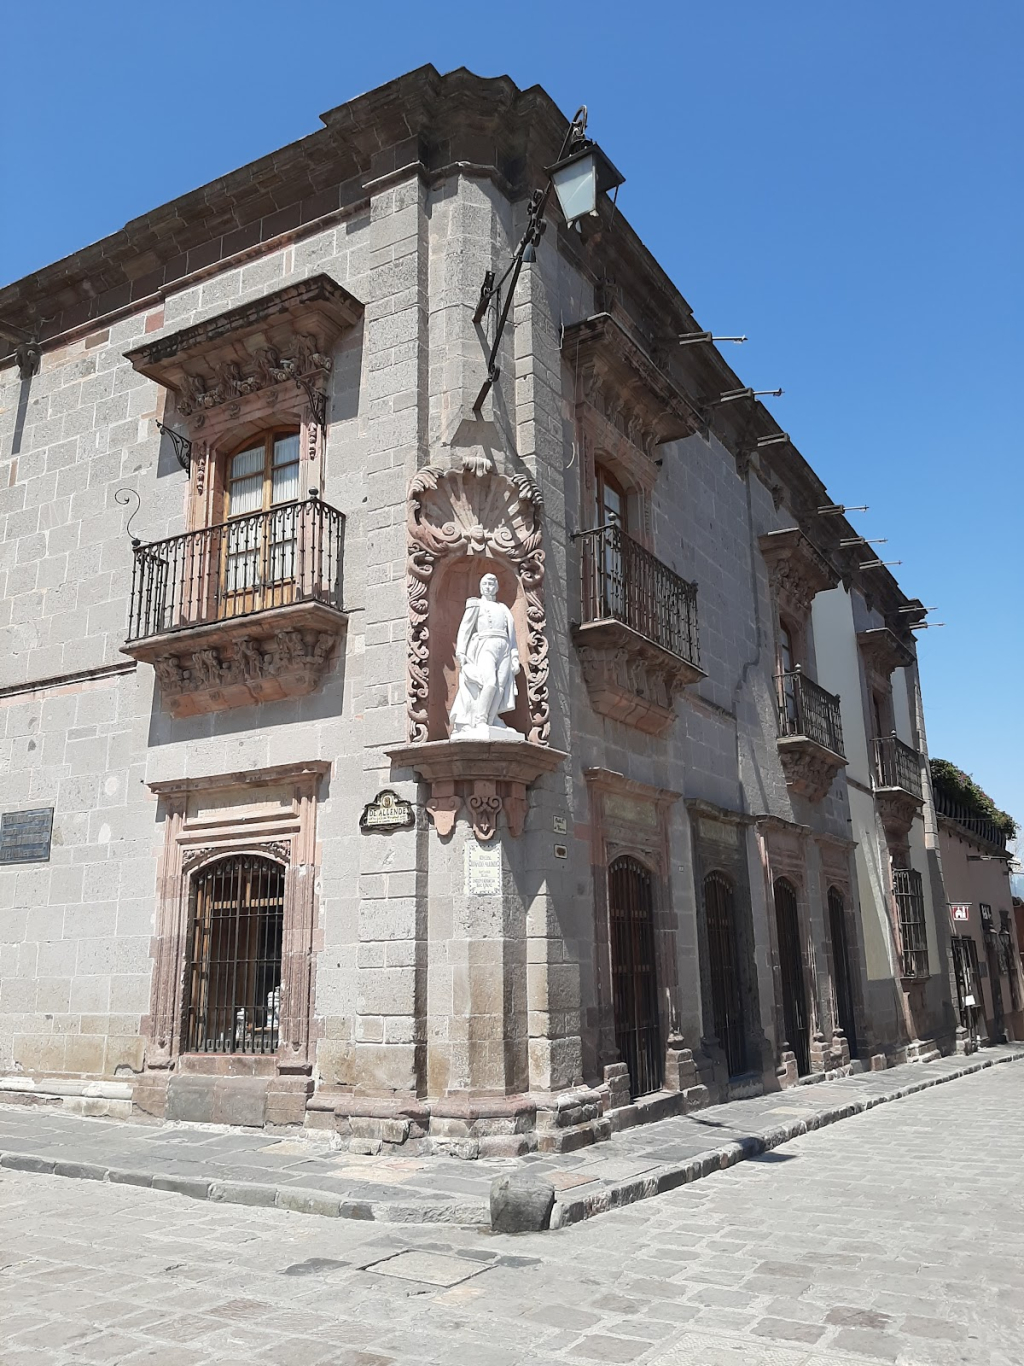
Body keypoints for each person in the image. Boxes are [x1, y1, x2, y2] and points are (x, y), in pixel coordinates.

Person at [449, 571, 522, 738]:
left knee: (501, 686)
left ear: (496, 587)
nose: (488, 587)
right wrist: (461, 652)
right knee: (490, 683)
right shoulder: (476, 604)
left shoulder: (503, 608)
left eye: (491, 584)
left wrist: (515, 656)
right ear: (481, 587)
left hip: (504, 647)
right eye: (485, 584)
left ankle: (491, 718)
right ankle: (480, 719)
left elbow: (512, 637)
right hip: (485, 644)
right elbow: (465, 629)